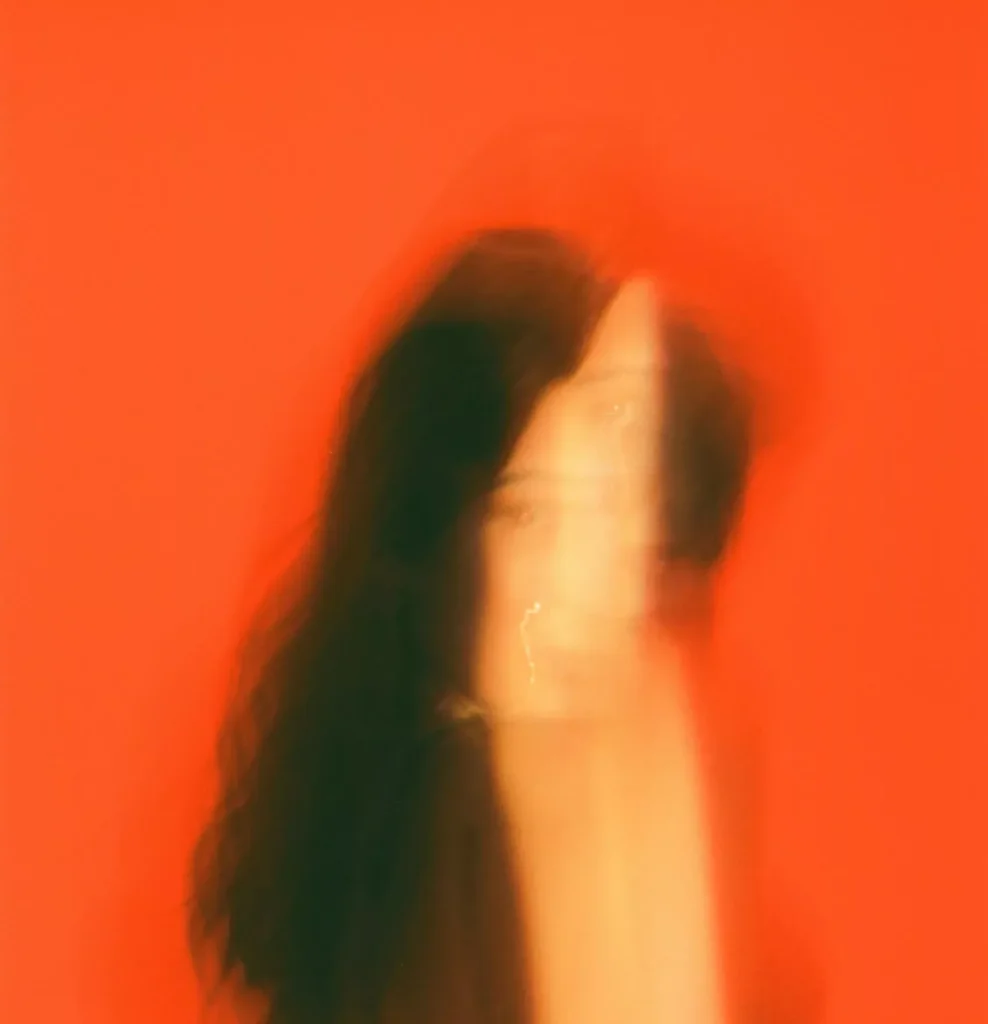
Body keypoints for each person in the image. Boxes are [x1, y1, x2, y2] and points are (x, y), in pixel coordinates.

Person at [188, 227, 756, 1024]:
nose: (584, 582)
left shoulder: (626, 768)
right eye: (526, 514)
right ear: (428, 537)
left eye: (611, 518)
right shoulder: (424, 835)